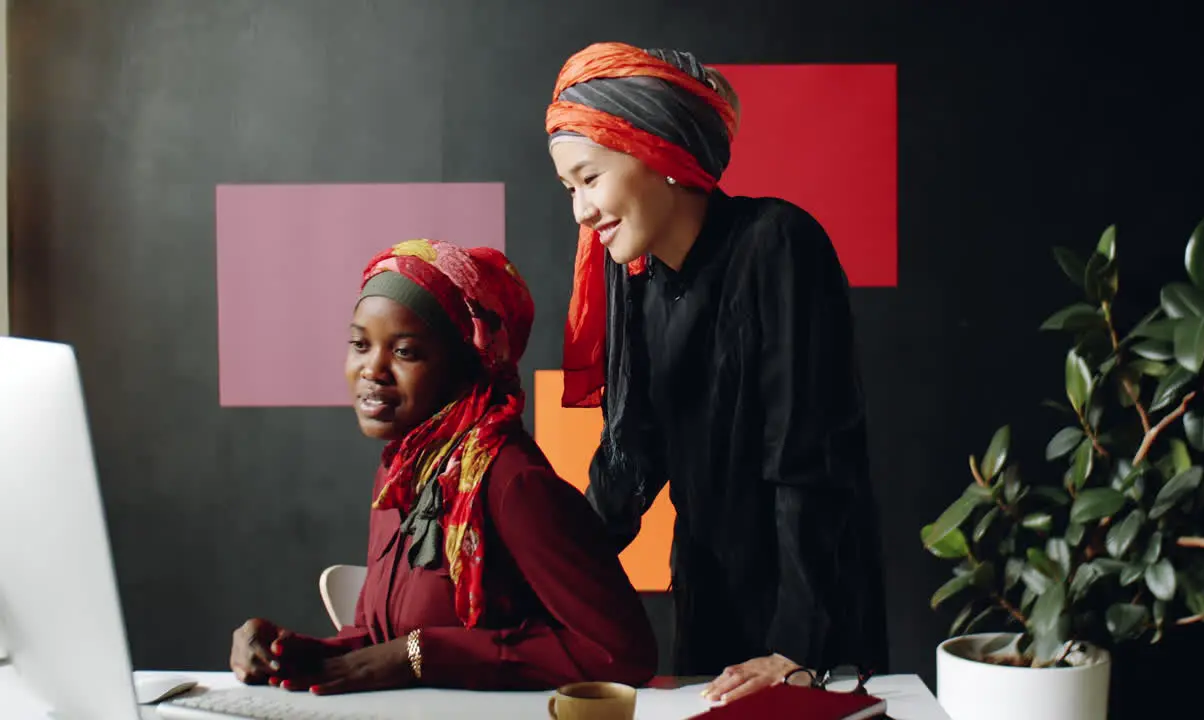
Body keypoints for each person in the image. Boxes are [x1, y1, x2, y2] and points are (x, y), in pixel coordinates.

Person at [545, 42, 890, 702]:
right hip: (707, 603)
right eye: (570, 188)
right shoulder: (633, 276)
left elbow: (809, 461)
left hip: (812, 617)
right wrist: (549, 573)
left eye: (589, 179)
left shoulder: (779, 243)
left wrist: (798, 647)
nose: (581, 211)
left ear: (658, 153)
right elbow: (629, 457)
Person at [228, 239, 658, 694]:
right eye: (360, 344)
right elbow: (386, 642)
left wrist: (423, 655)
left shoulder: (512, 482)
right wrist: (292, 652)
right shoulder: (402, 472)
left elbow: (621, 652)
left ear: (466, 364)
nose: (372, 369)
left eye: (406, 352)